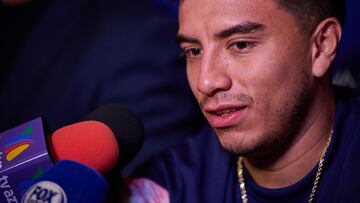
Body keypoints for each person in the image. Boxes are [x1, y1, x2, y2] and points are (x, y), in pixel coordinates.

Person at [129, 0, 360, 202]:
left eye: (240, 44)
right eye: (194, 51)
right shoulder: (169, 186)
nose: (206, 82)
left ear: (321, 46)